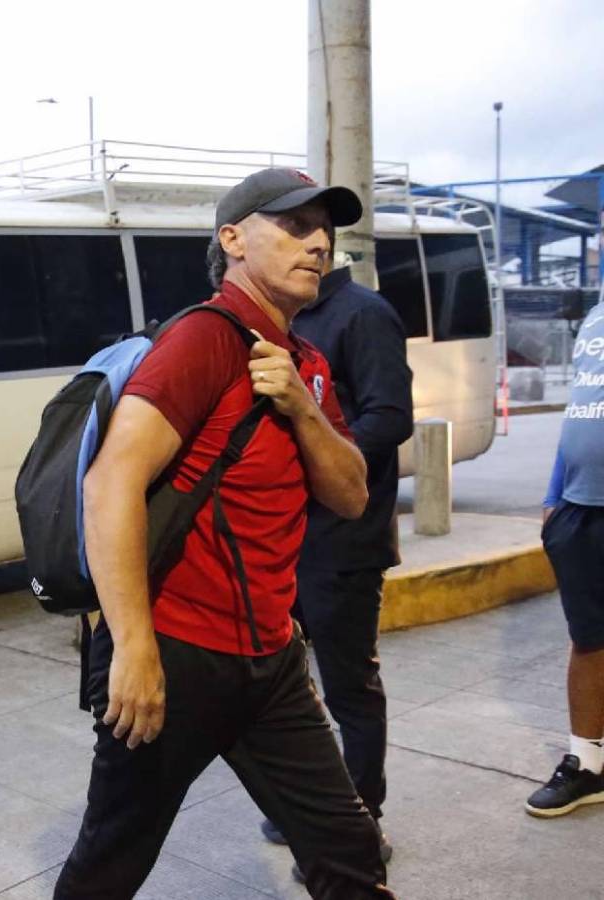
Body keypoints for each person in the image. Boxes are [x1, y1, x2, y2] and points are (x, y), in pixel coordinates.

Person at [53, 168, 394, 900]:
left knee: (351, 853)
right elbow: (109, 482)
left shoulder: (304, 364)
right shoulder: (205, 339)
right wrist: (135, 650)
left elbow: (351, 493)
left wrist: (303, 408)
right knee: (107, 867)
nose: (318, 243)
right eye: (294, 226)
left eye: (324, 230)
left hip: (270, 663)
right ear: (232, 239)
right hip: (179, 657)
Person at [259, 251, 413, 861]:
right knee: (293, 690)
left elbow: (391, 418)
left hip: (345, 542)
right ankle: (321, 809)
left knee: (351, 690)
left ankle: (361, 824)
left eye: (311, 235)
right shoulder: (286, 322)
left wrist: (320, 450)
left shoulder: (363, 314)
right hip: (289, 538)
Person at [527, 299, 604, 817]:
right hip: (579, 506)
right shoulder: (597, 316)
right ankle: (589, 763)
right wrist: (555, 497)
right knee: (590, 638)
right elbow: (581, 405)